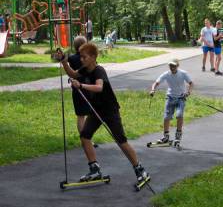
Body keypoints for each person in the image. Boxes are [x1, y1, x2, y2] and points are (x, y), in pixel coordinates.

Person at [57, 43, 149, 184]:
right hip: (96, 110)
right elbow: (72, 74)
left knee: (120, 140)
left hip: (109, 110)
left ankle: (140, 169)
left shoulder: (99, 70)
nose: (81, 59)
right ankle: (94, 169)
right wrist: (64, 61)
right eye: (80, 57)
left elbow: (99, 87)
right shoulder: (85, 69)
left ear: (93, 57)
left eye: (84, 57)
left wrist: (81, 85)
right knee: (85, 136)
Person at [150, 58, 193, 146]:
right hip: (170, 97)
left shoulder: (183, 73)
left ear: (177, 66)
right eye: (170, 65)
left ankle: (178, 137)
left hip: (181, 98)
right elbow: (156, 83)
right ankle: (165, 137)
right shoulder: (166, 74)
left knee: (179, 115)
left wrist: (188, 92)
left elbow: (191, 83)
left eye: (173, 65)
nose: (172, 67)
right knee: (167, 117)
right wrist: (153, 90)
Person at [66, 36, 91, 134]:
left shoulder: (71, 58)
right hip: (88, 88)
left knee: (81, 116)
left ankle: (85, 139)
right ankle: (86, 139)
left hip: (77, 89)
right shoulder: (88, 58)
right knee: (87, 115)